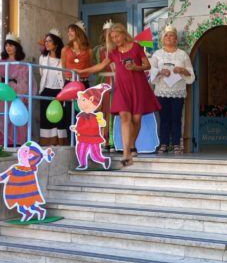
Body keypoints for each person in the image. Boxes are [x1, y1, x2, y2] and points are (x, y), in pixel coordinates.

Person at [80, 23, 160, 166]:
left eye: (117, 36)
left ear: (123, 34)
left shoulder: (136, 47)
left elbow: (147, 65)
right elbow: (101, 65)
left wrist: (135, 67)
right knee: (125, 117)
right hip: (122, 89)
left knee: (136, 119)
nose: (115, 39)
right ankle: (126, 154)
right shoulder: (113, 52)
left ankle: (132, 144)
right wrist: (83, 71)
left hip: (138, 87)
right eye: (112, 37)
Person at [149, 26, 194, 154]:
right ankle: (163, 143)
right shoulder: (157, 54)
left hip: (177, 91)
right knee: (164, 118)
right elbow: (151, 71)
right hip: (162, 91)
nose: (168, 37)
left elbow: (191, 73)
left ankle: (176, 144)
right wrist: (161, 71)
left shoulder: (182, 54)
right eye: (166, 35)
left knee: (176, 117)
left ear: (176, 39)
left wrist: (182, 70)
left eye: (171, 35)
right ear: (163, 39)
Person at [0, 34, 32, 147]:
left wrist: (25, 94)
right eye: (6, 45)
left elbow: (27, 81)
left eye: (11, 45)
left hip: (17, 93)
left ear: (16, 47)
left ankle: (16, 141)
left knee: (15, 114)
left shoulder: (23, 64)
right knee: (1, 116)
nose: (8, 48)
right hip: (3, 93)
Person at [38, 29, 70, 146]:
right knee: (46, 119)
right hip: (46, 91)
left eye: (49, 41)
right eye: (45, 41)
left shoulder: (63, 58)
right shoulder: (42, 58)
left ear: (56, 43)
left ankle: (61, 144)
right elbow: (42, 73)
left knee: (60, 119)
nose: (46, 43)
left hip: (60, 92)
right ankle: (47, 144)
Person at [61, 21, 92, 87]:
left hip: (83, 83)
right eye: (68, 31)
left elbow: (91, 67)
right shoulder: (65, 50)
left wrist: (83, 74)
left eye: (72, 31)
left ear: (79, 32)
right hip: (69, 83)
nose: (68, 34)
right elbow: (63, 68)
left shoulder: (89, 51)